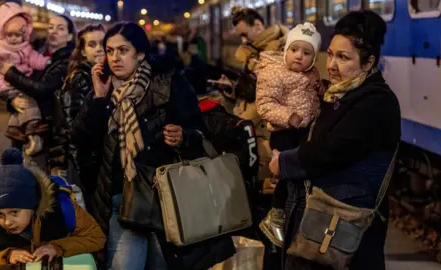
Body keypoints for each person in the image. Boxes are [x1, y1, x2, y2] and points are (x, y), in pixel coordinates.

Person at [71, 21, 235, 269]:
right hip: (120, 201)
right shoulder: (103, 91)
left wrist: (183, 137)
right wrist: (98, 99)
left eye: (123, 50)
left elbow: (201, 132)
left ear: (140, 54)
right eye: (110, 51)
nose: (115, 58)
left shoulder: (169, 84)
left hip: (166, 201)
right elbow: (80, 140)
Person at [267, 10, 401, 269]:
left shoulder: (377, 102)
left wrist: (283, 162)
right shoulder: (341, 95)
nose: (331, 65)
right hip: (322, 228)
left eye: (343, 57)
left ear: (368, 62)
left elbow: (332, 150)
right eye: (329, 54)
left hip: (347, 236)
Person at [255, 22, 322, 248]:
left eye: (306, 53)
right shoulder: (274, 73)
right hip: (284, 133)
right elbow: (264, 104)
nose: (298, 57)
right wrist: (288, 116)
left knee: (296, 177)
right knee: (285, 174)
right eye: (294, 50)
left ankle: (290, 216)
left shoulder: (311, 74)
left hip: (302, 131)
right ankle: (275, 216)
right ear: (285, 51)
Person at [0, 148, 106, 269]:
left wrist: (57, 248)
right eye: (0, 214)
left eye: (14, 212)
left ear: (32, 205)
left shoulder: (62, 209)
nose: (7, 222)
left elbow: (96, 238)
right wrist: (7, 256)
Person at [216, 6, 290, 191]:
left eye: (245, 34)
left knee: (265, 167)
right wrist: (232, 88)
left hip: (265, 124)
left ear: (258, 25)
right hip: (253, 121)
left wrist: (243, 118)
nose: (243, 40)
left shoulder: (279, 50)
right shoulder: (255, 49)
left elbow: (274, 92)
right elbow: (250, 87)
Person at [0, 14, 76, 177]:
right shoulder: (39, 56)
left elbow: (42, 89)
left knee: (41, 183)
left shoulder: (66, 61)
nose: (53, 31)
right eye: (51, 27)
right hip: (31, 129)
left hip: (48, 134)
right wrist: (13, 100)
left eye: (60, 29)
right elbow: (22, 88)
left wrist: (10, 73)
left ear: (69, 36)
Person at [0, 2, 49, 155]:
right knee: (30, 106)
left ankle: (15, 130)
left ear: (24, 34)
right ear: (3, 32)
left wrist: (45, 62)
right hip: (4, 85)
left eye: (18, 35)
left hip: (19, 83)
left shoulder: (25, 47)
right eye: (10, 35)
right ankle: (33, 133)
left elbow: (34, 58)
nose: (14, 39)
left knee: (19, 110)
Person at [60, 24, 106, 202]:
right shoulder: (81, 78)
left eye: (103, 43)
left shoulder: (105, 74)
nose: (99, 49)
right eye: (92, 45)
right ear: (83, 52)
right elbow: (74, 129)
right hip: (87, 165)